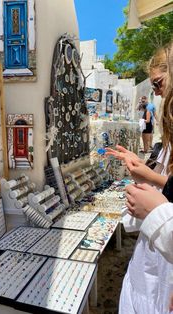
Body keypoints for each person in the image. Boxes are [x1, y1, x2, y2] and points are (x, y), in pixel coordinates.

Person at [106, 42, 173, 314]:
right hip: (151, 278)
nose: (155, 92)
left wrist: (156, 211)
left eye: (158, 83)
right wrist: (150, 176)